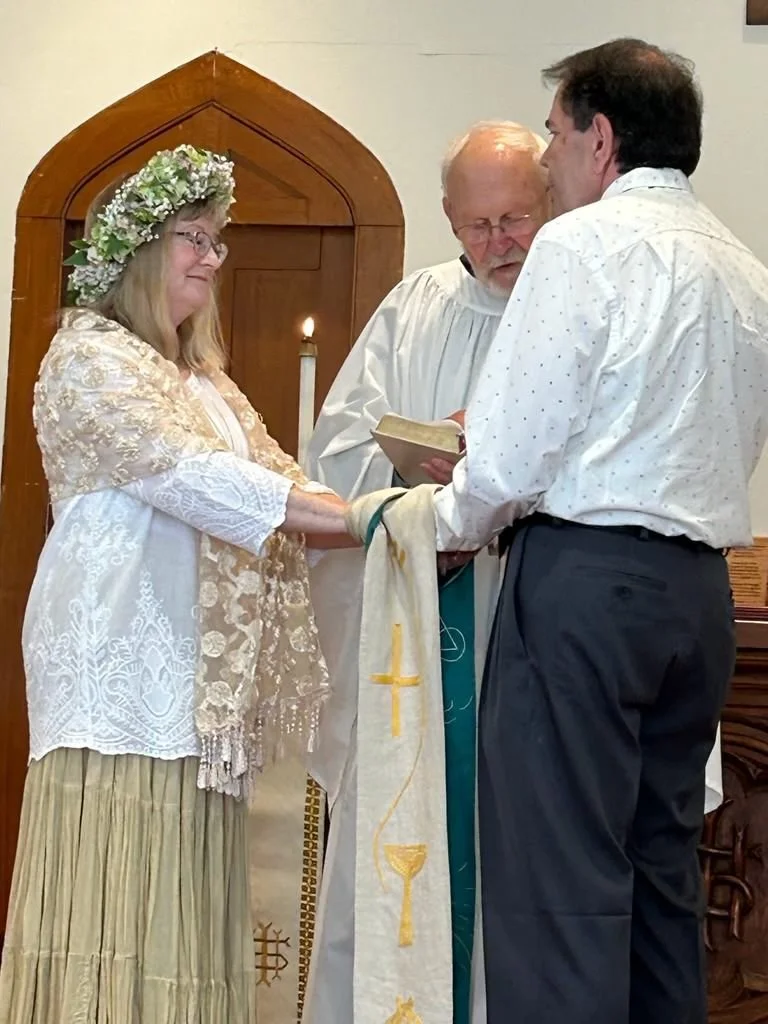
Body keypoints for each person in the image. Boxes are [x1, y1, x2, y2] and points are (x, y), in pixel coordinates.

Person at [431, 39, 768, 1024]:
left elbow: (513, 449)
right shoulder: (746, 270)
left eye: (555, 135)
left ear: (602, 138)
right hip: (700, 590)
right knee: (661, 875)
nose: (550, 158)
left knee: (559, 883)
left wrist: (447, 524)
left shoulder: (581, 245)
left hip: (584, 585)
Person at [0, 143, 354, 1024]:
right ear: (138, 250)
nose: (210, 257)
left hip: (194, 670)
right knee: (116, 889)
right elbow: (186, 476)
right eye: (192, 236)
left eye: (215, 241)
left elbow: (276, 475)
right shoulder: (89, 356)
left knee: (185, 896)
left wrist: (381, 513)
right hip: (120, 657)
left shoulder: (207, 381)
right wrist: (358, 521)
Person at [302, 122, 550, 1024]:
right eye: (477, 224)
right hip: (419, 620)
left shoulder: (574, 305)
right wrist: (414, 468)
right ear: (448, 218)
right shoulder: (412, 310)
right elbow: (333, 462)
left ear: (551, 198)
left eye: (516, 218)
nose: (498, 243)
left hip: (525, 625)